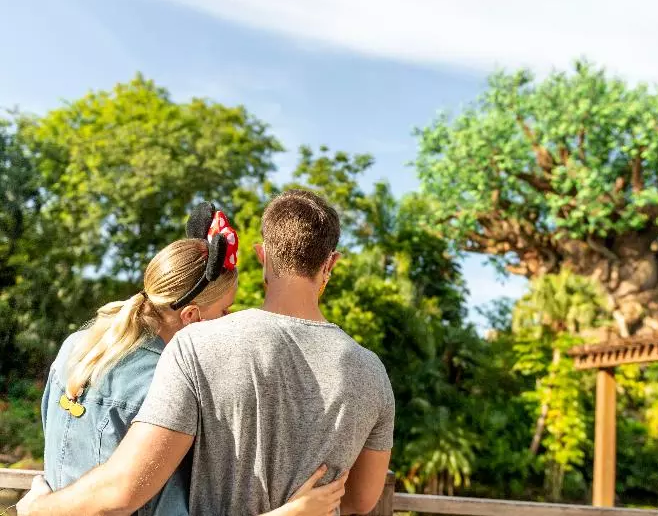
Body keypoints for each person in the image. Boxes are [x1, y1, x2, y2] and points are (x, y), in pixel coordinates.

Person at [19, 189, 395, 516]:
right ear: (331, 263)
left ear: (263, 255)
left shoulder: (187, 348)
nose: (226, 316)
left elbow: (124, 487)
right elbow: (361, 500)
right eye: (224, 309)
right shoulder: (372, 371)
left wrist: (35, 509)